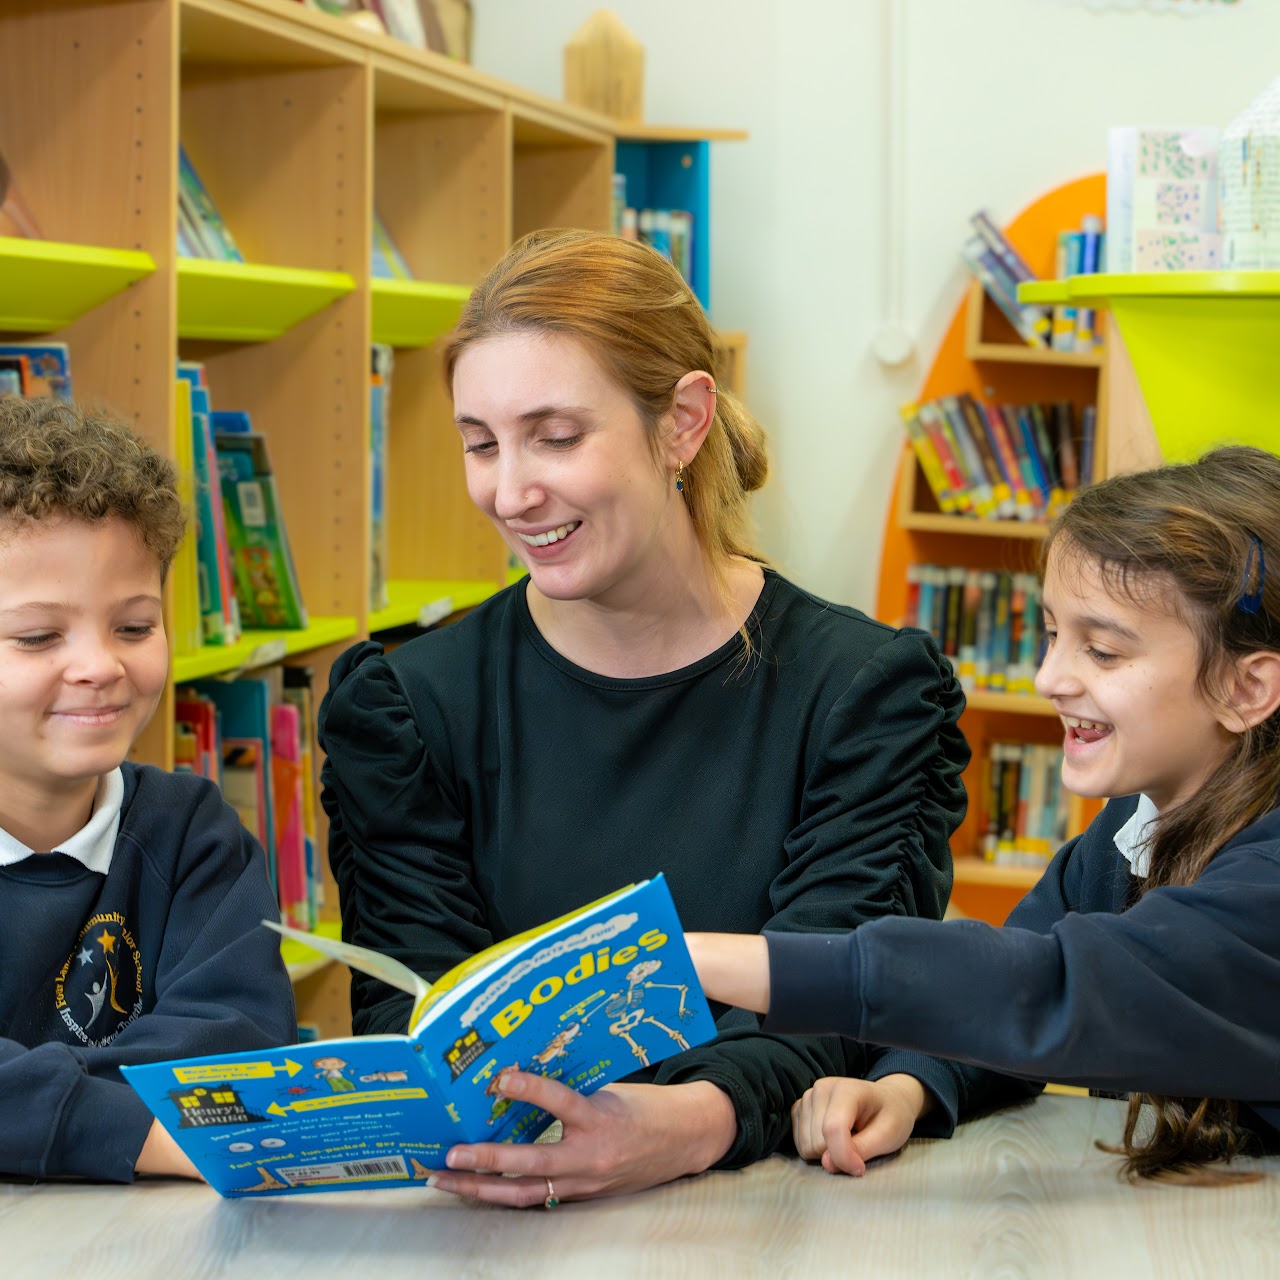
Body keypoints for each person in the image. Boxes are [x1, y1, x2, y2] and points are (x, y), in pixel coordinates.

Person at [318, 228, 971, 1207]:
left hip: (782, 1213)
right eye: (480, 444)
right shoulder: (407, 710)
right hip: (502, 1219)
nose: (509, 492)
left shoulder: (863, 694)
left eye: (555, 436)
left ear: (682, 423)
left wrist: (692, 1121)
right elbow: (415, 1016)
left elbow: (840, 993)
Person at [687, 445, 1280, 1184]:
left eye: (1102, 651)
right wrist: (908, 1086)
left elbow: (1052, 989)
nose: (1049, 678)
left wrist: (707, 960)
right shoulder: (1131, 829)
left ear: (1246, 688)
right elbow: (1007, 981)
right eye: (1053, 635)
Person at [0, 397, 296, 1183]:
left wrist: (30, 1107)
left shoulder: (193, 832)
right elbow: (196, 1114)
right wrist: (141, 1131)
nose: (101, 666)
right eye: (37, 636)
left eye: (134, 627)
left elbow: (238, 1046)